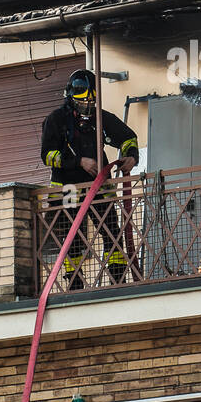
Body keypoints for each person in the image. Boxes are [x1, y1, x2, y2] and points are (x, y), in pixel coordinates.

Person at [40, 69, 139, 289]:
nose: (87, 106)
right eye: (82, 101)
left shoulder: (100, 119)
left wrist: (131, 156)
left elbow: (128, 137)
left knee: (112, 233)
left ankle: (118, 280)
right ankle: (75, 284)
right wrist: (78, 162)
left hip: (99, 189)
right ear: (70, 97)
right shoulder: (56, 120)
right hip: (67, 190)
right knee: (72, 239)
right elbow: (47, 155)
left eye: (91, 101)